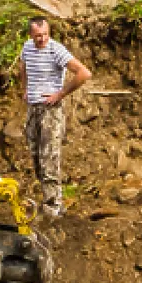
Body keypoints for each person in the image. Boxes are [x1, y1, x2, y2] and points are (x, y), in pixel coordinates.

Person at [19, 18, 91, 218]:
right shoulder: (27, 48)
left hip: (51, 110)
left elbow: (83, 73)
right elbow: (23, 67)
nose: (41, 39)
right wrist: (25, 89)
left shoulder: (55, 50)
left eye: (45, 35)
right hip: (33, 108)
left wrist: (60, 94)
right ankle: (48, 199)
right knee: (36, 157)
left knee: (49, 157)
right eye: (37, 36)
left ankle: (54, 206)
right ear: (30, 35)